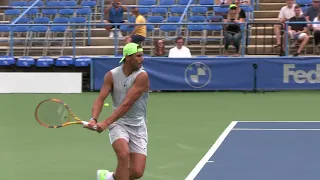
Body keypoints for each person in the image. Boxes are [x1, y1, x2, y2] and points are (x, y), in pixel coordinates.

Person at [84, 43, 150, 180]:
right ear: (127, 57)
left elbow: (127, 104)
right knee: (123, 154)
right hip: (118, 122)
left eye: (142, 56)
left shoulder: (142, 76)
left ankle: (109, 177)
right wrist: (93, 119)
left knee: (137, 172)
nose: (142, 59)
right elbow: (100, 99)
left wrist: (106, 123)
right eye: (138, 56)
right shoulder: (111, 75)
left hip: (138, 126)